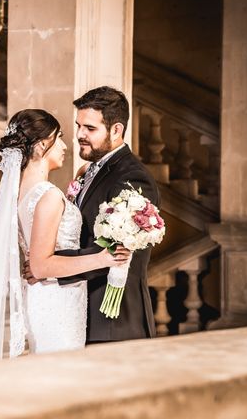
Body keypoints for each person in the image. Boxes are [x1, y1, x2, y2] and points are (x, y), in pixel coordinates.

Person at [0, 109, 130, 365]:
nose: (63, 145)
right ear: (40, 146)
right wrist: (104, 259)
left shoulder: (19, 193)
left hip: (45, 297)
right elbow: (41, 265)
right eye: (57, 138)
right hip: (57, 301)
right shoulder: (47, 195)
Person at [25, 86, 160, 343]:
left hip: (113, 320)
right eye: (78, 126)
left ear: (116, 130)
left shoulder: (133, 177)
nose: (79, 135)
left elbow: (116, 251)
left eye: (90, 128)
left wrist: (47, 266)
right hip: (80, 312)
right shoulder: (88, 170)